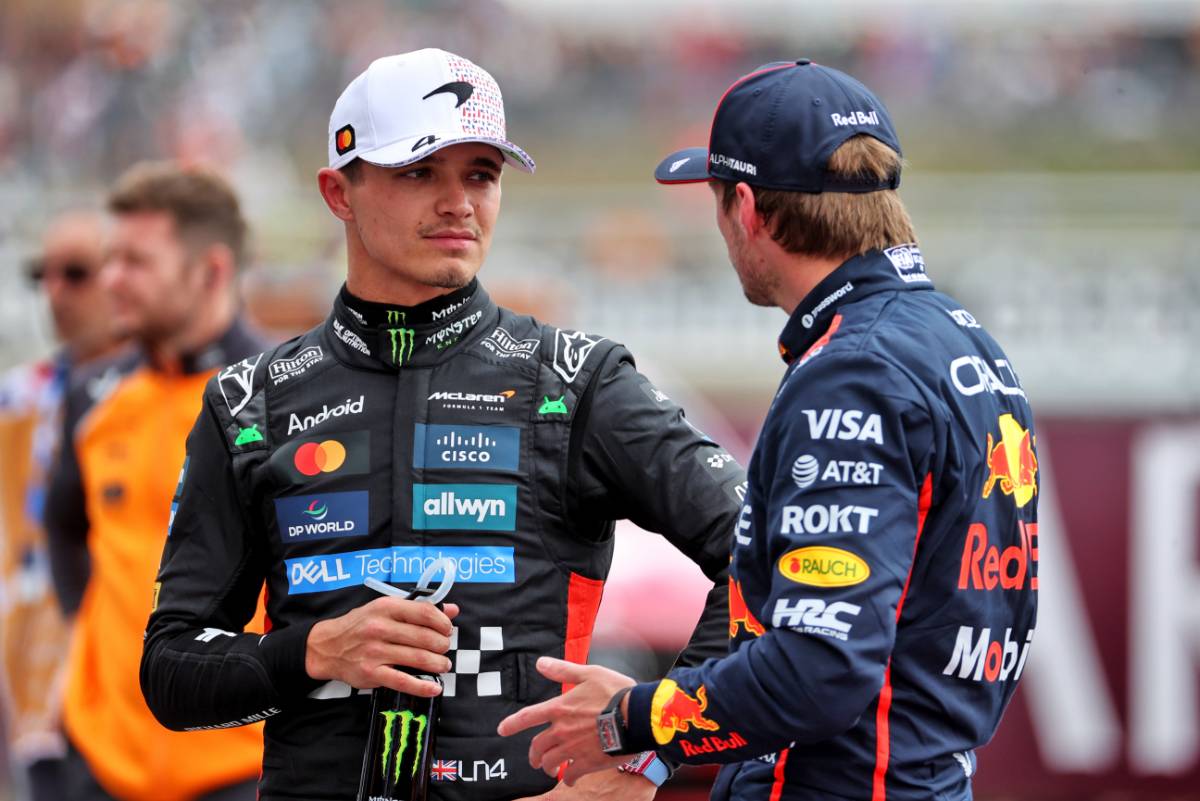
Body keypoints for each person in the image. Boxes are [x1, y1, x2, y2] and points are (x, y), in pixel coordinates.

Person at [139, 48, 744, 801]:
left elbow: (765, 554)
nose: (459, 202)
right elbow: (170, 670)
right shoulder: (249, 402)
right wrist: (314, 651)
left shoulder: (574, 380)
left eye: (481, 175)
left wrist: (647, 750)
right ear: (338, 192)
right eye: (420, 172)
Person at [497, 59, 1040, 801]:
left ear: (747, 208)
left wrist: (629, 720)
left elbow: (821, 669)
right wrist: (650, 750)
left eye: (716, 200)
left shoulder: (854, 371)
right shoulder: (961, 341)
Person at [44, 164, 268, 801]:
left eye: (136, 262)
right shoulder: (93, 398)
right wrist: (81, 644)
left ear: (212, 271)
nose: (111, 279)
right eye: (110, 259)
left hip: (241, 767)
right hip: (99, 762)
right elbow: (64, 526)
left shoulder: (291, 397)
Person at [0, 212, 126, 801]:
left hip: (130, 683)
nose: (55, 292)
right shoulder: (17, 399)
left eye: (75, 273)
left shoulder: (172, 393)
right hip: (33, 684)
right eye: (41, 275)